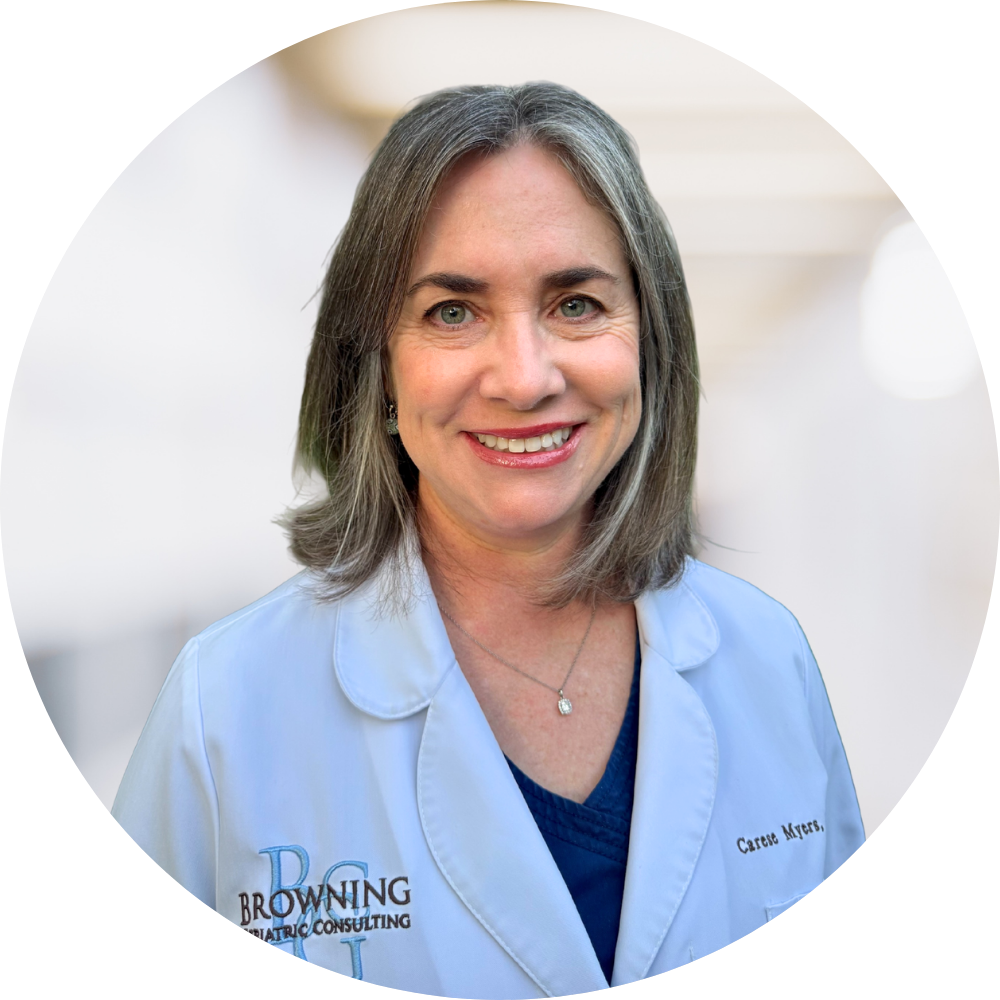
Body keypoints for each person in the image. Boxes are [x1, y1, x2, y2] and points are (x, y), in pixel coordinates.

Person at [113, 83, 864, 997]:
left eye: (576, 304)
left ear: (650, 341)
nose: (524, 377)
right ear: (378, 368)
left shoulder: (768, 661)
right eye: (453, 312)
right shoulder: (226, 710)